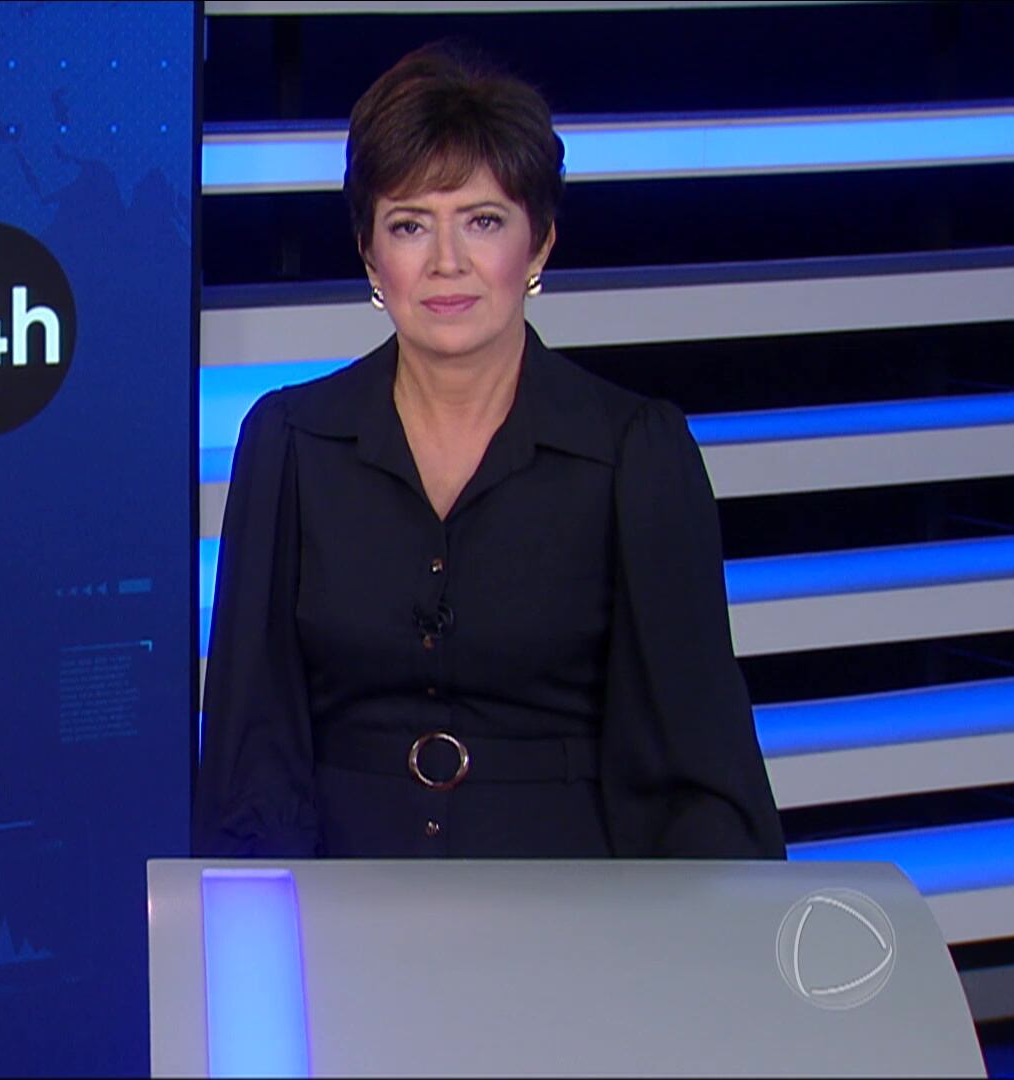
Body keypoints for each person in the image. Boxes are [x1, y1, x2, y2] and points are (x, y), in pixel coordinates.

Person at [193, 44, 785, 860]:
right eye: (410, 225)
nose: (447, 262)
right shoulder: (291, 441)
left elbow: (697, 765)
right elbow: (251, 751)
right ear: (369, 254)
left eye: (483, 221)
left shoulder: (633, 454)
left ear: (538, 245)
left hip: (572, 901)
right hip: (343, 900)